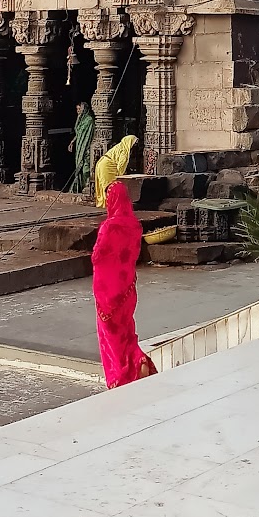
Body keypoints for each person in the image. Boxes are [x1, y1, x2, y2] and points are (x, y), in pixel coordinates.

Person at [91, 179, 156, 388]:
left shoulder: (108, 227)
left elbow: (97, 256)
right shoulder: (135, 226)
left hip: (107, 292)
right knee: (127, 331)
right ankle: (138, 361)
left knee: (111, 337)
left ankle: (122, 375)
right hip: (127, 288)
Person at [94, 133, 138, 208]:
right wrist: (122, 176)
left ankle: (109, 203)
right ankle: (111, 203)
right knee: (110, 185)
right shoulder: (124, 151)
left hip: (104, 163)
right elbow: (121, 166)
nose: (135, 147)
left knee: (107, 185)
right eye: (134, 144)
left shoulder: (120, 146)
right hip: (107, 166)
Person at [67, 101, 96, 195]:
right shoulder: (81, 119)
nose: (78, 111)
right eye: (77, 109)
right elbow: (78, 133)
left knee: (86, 168)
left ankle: (86, 186)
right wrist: (72, 142)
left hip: (86, 148)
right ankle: (79, 187)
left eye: (80, 109)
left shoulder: (89, 120)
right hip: (79, 147)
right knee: (80, 167)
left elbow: (87, 134)